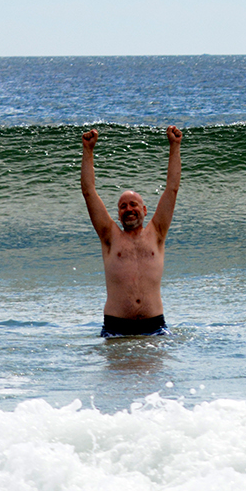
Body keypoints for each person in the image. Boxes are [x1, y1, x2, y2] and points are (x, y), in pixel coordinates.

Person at [80, 125, 182, 337]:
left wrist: (175, 146)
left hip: (154, 327)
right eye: (123, 206)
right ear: (118, 215)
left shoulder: (157, 232)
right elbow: (89, 192)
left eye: (133, 204)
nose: (129, 209)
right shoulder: (109, 236)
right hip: (116, 328)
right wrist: (88, 150)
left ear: (144, 210)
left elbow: (172, 189)